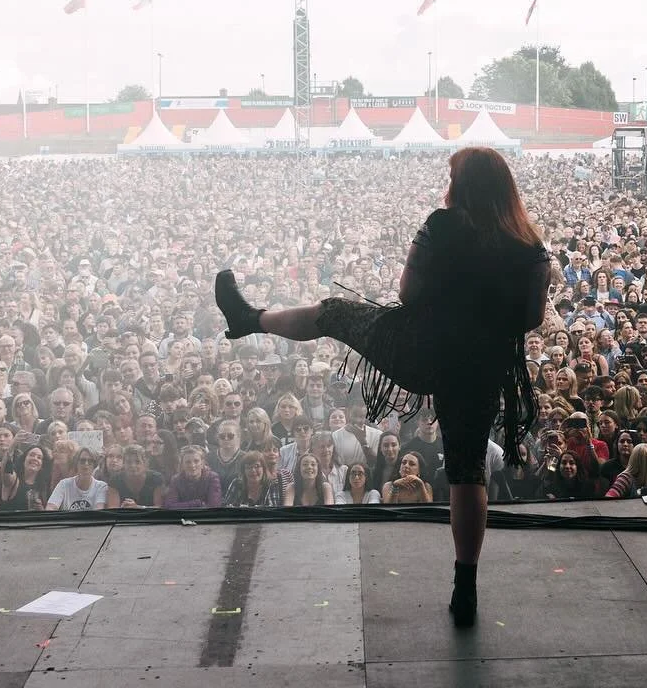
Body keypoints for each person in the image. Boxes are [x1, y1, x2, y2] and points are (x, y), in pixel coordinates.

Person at [212, 147, 550, 627]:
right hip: (479, 368)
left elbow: (407, 294)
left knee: (333, 313)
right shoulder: (529, 244)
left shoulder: (442, 225)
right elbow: (532, 316)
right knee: (468, 470)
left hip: (419, 349)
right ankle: (465, 585)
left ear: (464, 184)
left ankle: (250, 320)